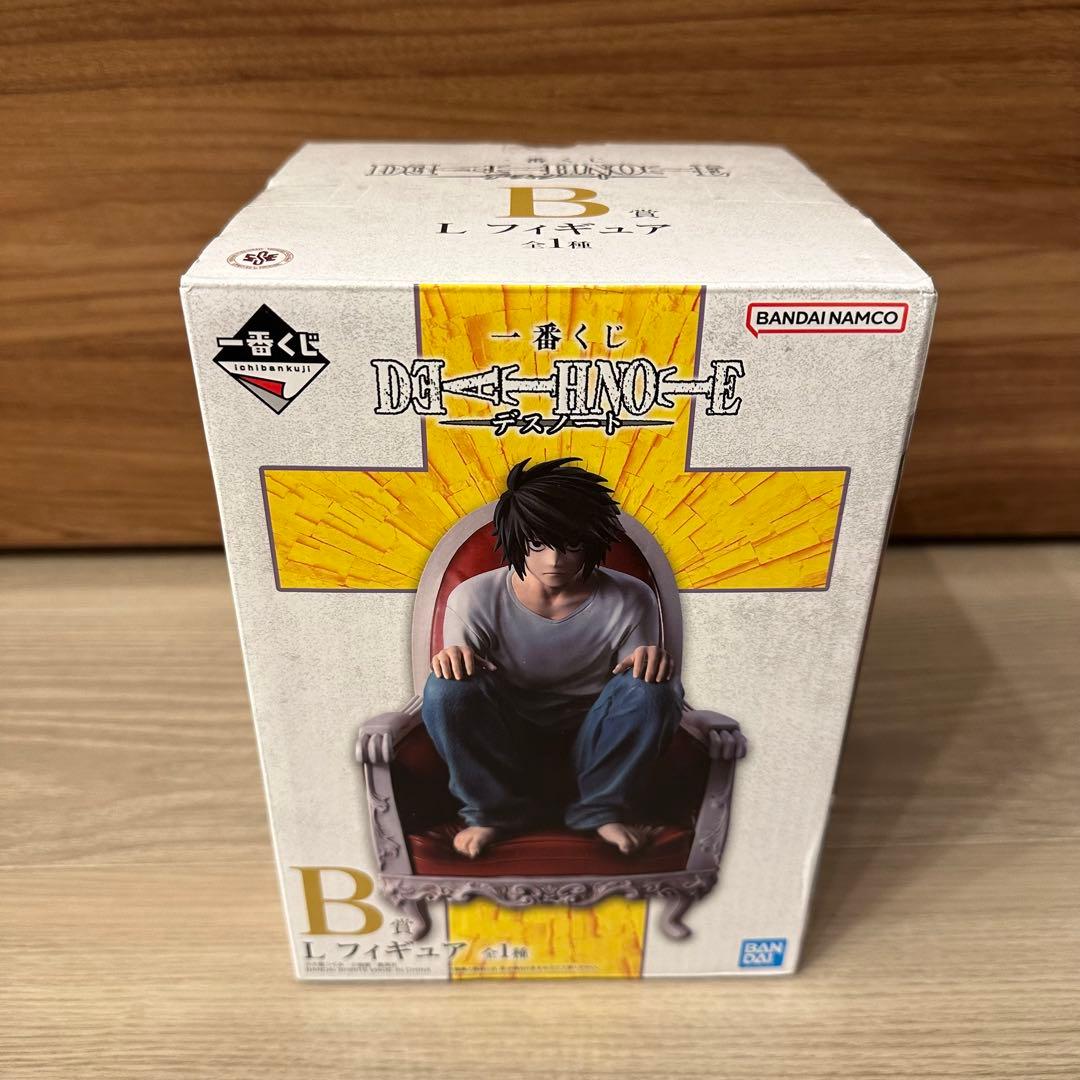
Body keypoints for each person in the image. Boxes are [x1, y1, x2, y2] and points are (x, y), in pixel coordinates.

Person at [421, 456, 684, 859]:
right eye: (537, 545)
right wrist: (452, 658)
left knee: (654, 687)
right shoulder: (473, 597)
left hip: (595, 734)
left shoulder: (632, 596)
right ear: (517, 540)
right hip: (506, 735)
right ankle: (492, 813)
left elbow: (636, 688)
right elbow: (461, 686)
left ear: (592, 541)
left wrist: (650, 660)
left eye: (571, 546)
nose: (554, 561)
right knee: (447, 688)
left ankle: (602, 809)